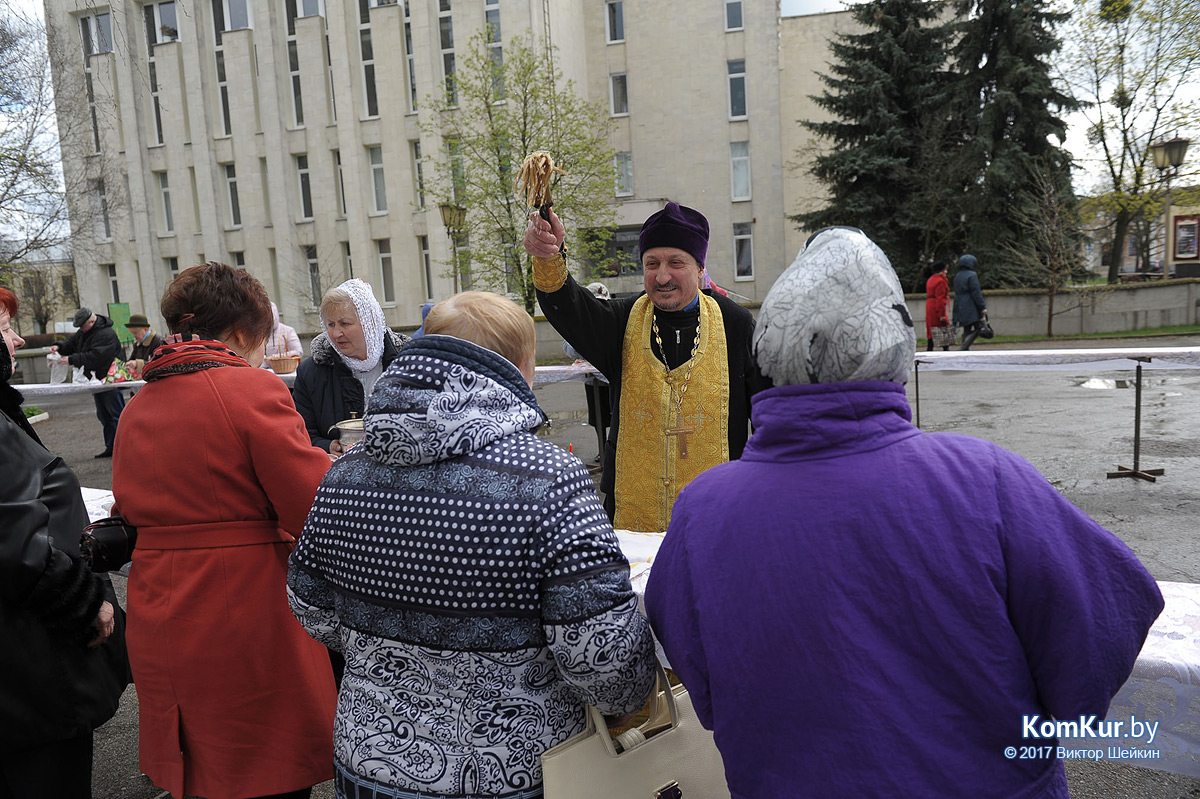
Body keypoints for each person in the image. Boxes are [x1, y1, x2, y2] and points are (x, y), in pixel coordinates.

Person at [645, 228, 1164, 799]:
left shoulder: (702, 510)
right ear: (894, 341)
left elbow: (698, 675)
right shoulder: (984, 480)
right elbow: (1100, 632)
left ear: (769, 348)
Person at [288, 291, 656, 799]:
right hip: (517, 771)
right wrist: (642, 692)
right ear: (521, 368)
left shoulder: (344, 474)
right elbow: (601, 659)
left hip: (368, 763)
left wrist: (389, 657)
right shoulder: (547, 477)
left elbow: (310, 603)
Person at [111, 262, 336, 799]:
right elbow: (311, 507)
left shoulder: (138, 405)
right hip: (240, 605)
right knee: (263, 769)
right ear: (240, 335)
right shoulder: (249, 389)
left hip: (160, 604)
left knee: (201, 768)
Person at [525, 202, 769, 531]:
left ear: (699, 268)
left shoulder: (736, 324)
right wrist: (549, 257)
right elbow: (569, 308)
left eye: (675, 263)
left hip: (720, 514)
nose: (662, 275)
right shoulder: (622, 321)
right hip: (632, 513)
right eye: (651, 263)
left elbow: (768, 415)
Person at [0, 287, 130, 798]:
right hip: (27, 671)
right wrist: (82, 599)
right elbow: (14, 540)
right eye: (5, 328)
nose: (14, 341)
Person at [293, 279, 409, 455]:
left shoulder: (406, 365)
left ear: (369, 322)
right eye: (330, 324)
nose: (336, 333)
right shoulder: (312, 372)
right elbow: (301, 433)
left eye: (345, 323)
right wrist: (327, 446)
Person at [52, 306, 125, 457]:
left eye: (82, 326)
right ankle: (111, 447)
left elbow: (97, 356)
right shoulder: (85, 332)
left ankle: (123, 447)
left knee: (116, 415)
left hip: (110, 380)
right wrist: (58, 347)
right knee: (104, 416)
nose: (81, 329)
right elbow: (71, 344)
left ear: (92, 321)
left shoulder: (106, 334)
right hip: (98, 380)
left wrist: (72, 359)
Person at [952, 253, 988, 350]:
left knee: (967, 328)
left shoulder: (958, 276)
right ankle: (964, 346)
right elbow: (976, 292)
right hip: (970, 304)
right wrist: (982, 307)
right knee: (979, 327)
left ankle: (965, 347)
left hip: (959, 303)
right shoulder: (972, 275)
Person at [262, 301, 303, 367]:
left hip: (287, 369)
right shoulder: (261, 333)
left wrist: (275, 357)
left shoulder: (288, 331)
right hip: (267, 370)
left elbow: (298, 352)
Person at [125, 313, 164, 379]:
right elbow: (132, 359)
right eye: (132, 333)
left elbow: (159, 364)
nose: (134, 336)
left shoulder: (158, 341)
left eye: (136, 333)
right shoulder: (137, 344)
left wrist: (138, 364)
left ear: (145, 329)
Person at [924, 260, 951, 351]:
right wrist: (942, 314)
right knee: (943, 327)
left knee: (932, 328)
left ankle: (930, 348)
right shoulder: (941, 281)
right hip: (936, 306)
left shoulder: (931, 279)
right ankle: (946, 349)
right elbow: (941, 298)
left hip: (930, 305)